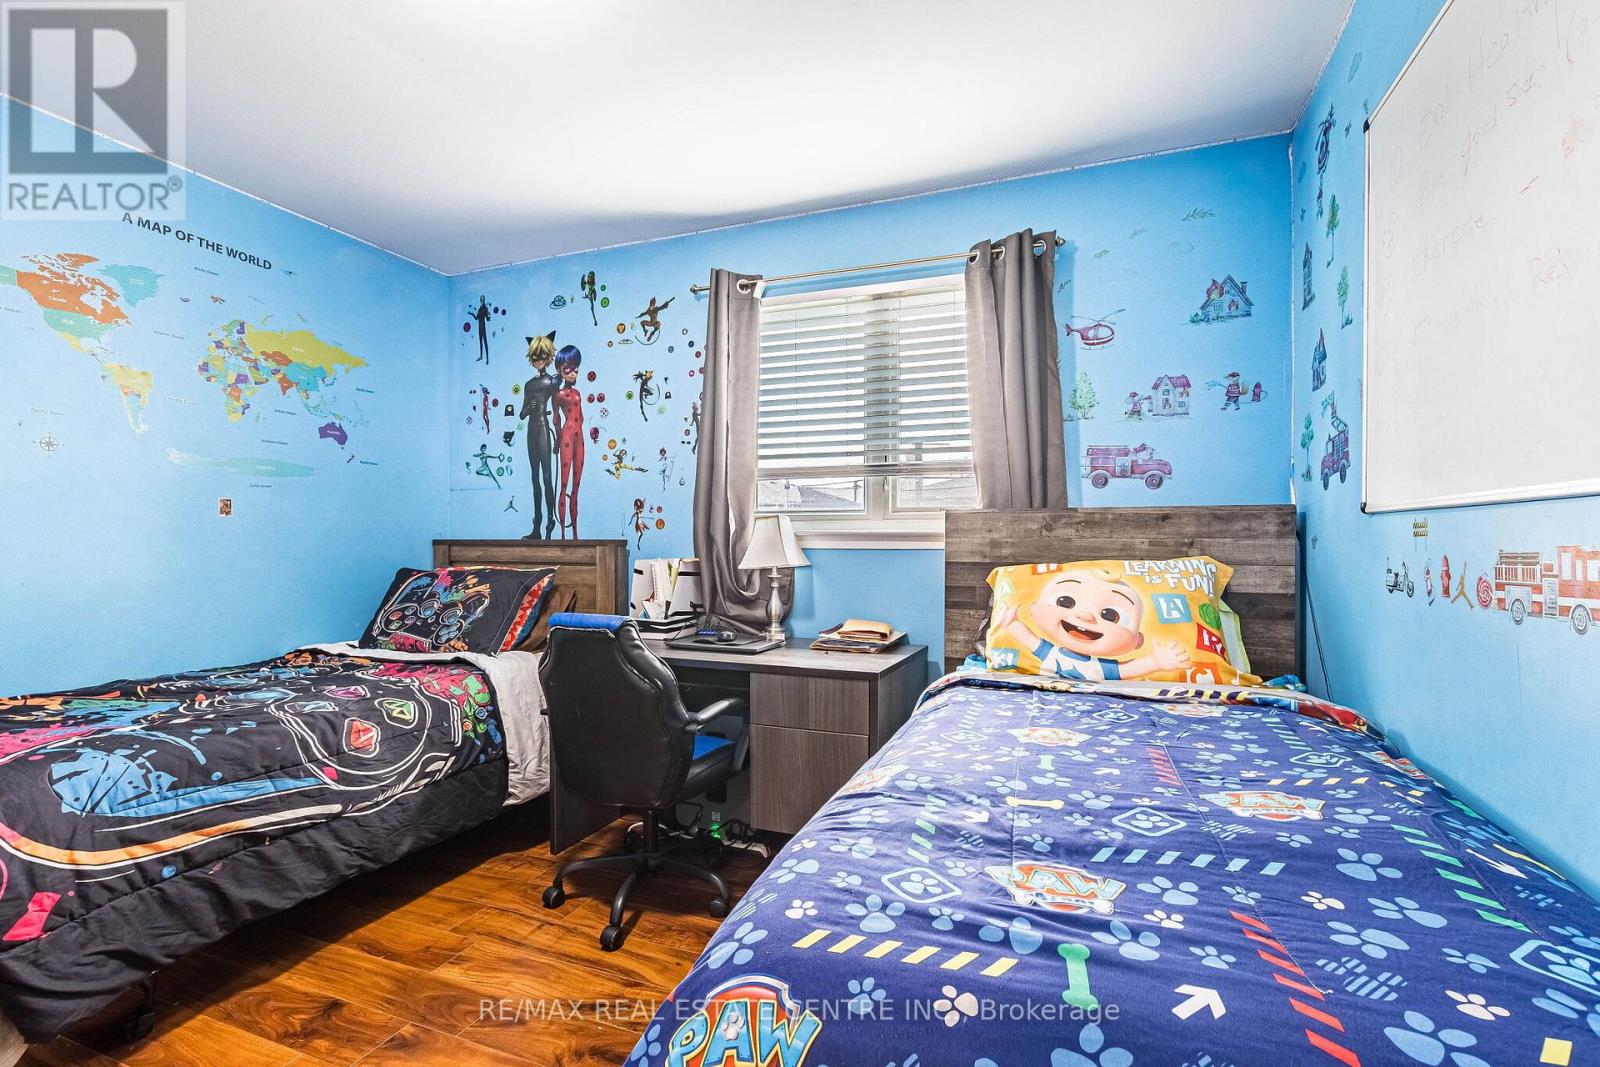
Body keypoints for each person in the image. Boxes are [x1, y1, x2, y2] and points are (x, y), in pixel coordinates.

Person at [997, 569, 1190, 682]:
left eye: (1110, 615)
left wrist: (1156, 663)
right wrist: (1010, 623)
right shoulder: (1051, 653)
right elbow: (1028, 639)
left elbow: (1127, 670)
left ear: (1138, 640)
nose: (1085, 616)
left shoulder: (1100, 668)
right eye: (1065, 602)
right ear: (1034, 607)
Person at [518, 332, 560, 538]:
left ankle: (550, 522)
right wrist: (529, 408)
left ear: (549, 356)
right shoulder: (529, 385)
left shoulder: (552, 382)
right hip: (531, 429)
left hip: (544, 427)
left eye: (542, 355)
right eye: (535, 356)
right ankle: (537, 525)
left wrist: (559, 437)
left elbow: (557, 410)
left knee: (546, 477)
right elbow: (521, 413)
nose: (538, 360)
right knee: (534, 477)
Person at [552, 345, 586, 538]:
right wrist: (557, 441)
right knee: (564, 485)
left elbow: (581, 417)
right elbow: (556, 420)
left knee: (576, 488)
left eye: (575, 369)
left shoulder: (578, 393)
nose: (573, 373)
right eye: (568, 369)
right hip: (566, 437)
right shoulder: (559, 395)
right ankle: (563, 534)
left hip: (579, 437)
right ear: (560, 370)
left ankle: (575, 534)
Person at [472, 296, 491, 363]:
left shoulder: (485, 308)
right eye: (481, 299)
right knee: (480, 341)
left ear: (484, 300)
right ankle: (481, 356)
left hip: (483, 326)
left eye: (483, 299)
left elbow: (487, 318)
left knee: (485, 342)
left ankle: (487, 358)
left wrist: (488, 316)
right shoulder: (480, 308)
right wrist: (471, 314)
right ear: (480, 300)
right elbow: (476, 318)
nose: (482, 301)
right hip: (479, 327)